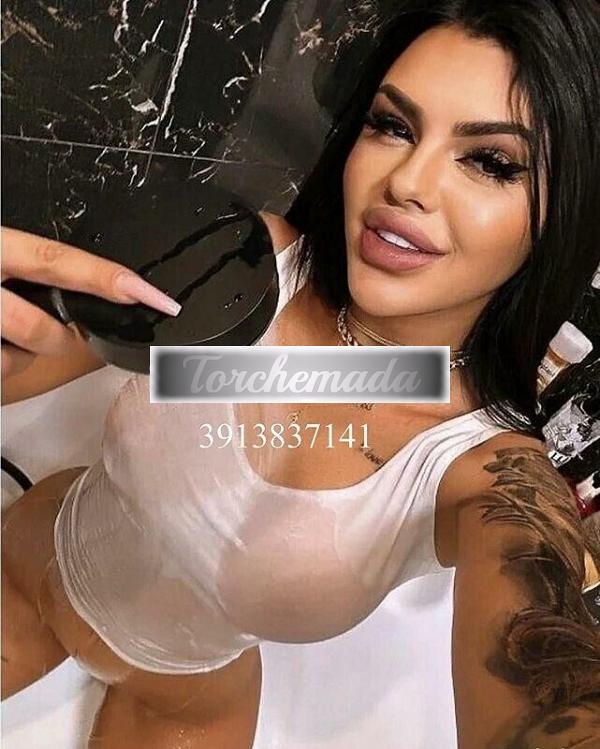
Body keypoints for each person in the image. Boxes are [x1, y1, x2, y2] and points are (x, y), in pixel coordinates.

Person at [3, 1, 600, 747]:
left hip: (180, 699)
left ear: (563, 216)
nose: (407, 182)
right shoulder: (244, 265)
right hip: (28, 563)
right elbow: (37, 359)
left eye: (490, 162)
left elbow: (543, 678)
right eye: (392, 125)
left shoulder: (482, 474)